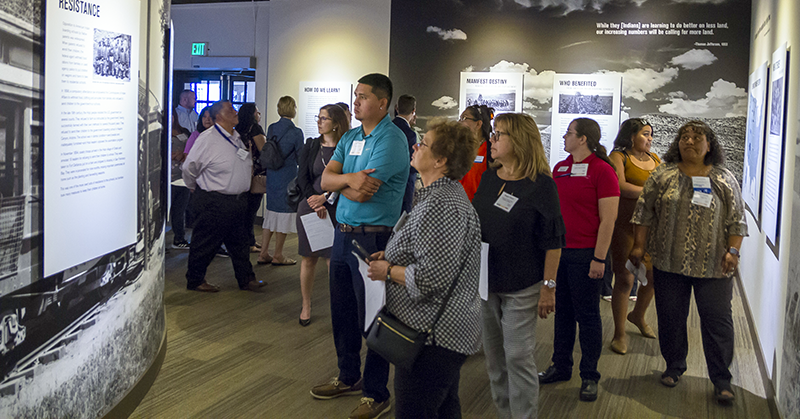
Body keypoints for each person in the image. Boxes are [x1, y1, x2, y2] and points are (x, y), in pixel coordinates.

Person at [365, 120, 481, 418]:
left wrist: (388, 271)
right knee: (444, 409)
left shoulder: (441, 205)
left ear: (441, 160)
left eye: (424, 143)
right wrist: (391, 257)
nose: (415, 147)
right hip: (438, 333)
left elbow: (431, 277)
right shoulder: (437, 196)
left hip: (434, 338)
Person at [312, 73, 409, 419]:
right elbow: (325, 179)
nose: (356, 102)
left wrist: (345, 184)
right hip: (343, 232)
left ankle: (375, 392)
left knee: (374, 318)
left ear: (382, 103)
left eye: (363, 97)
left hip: (374, 238)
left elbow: (365, 189)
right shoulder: (352, 136)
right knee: (342, 312)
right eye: (355, 96)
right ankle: (348, 375)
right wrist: (348, 180)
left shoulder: (392, 139)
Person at [629, 120, 747, 404]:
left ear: (710, 145)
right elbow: (644, 211)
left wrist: (733, 252)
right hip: (669, 263)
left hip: (714, 266)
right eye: (684, 137)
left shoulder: (723, 178)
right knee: (670, 317)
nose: (689, 142)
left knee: (717, 322)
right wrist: (638, 246)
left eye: (697, 137)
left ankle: (721, 379)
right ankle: (674, 366)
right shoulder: (663, 175)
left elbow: (737, 220)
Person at [472, 113, 565, 418]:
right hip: (487, 281)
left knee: (518, 356)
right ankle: (504, 412)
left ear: (520, 141)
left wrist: (548, 287)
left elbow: (553, 241)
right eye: (493, 133)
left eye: (499, 135)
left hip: (523, 285)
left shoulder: (541, 186)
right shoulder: (489, 177)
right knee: (495, 359)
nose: (492, 140)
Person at [539, 118, 619, 402]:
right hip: (560, 253)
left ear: (583, 138)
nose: (564, 136)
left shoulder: (603, 171)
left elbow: (608, 220)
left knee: (587, 316)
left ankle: (589, 375)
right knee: (562, 314)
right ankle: (560, 366)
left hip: (587, 255)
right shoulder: (560, 168)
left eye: (569, 133)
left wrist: (599, 258)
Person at [181, 100, 266, 293]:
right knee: (205, 242)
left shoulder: (236, 137)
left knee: (240, 242)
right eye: (231, 109)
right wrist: (194, 187)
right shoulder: (207, 138)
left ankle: (246, 279)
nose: (236, 112)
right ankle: (195, 280)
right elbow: (189, 168)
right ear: (218, 116)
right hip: (214, 201)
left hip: (237, 201)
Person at [608, 118, 661, 355]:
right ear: (631, 136)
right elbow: (620, 187)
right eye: (645, 134)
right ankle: (619, 333)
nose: (649, 139)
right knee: (625, 278)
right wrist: (652, 193)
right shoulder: (619, 157)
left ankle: (637, 315)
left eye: (651, 135)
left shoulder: (657, 159)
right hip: (625, 227)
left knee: (652, 277)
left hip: (653, 229)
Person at [296, 104, 350, 326]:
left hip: (336, 207)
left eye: (324, 118)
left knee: (332, 260)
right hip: (310, 207)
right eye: (318, 117)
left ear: (336, 123)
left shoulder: (346, 148)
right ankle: (306, 305)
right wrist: (314, 200)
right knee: (308, 259)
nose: (319, 121)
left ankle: (337, 306)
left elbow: (348, 178)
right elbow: (302, 178)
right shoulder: (311, 146)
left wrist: (325, 198)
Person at [258, 96, 304, 266]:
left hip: (272, 175)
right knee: (283, 214)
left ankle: (263, 252)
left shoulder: (271, 128)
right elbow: (300, 157)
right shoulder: (296, 132)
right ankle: (278, 254)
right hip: (287, 176)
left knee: (270, 213)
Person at [235, 103, 268, 254]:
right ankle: (249, 242)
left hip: (241, 173)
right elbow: (264, 151)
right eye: (257, 111)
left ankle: (249, 240)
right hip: (255, 174)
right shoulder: (255, 129)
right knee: (252, 210)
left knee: (245, 210)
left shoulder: (237, 129)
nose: (259, 114)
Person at [458, 104, 494, 201]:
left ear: (478, 124)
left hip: (479, 205)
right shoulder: (459, 148)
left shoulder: (491, 150)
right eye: (460, 118)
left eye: (464, 118)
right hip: (457, 204)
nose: (459, 122)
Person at [392, 94, 418, 213]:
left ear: (396, 108)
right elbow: (411, 163)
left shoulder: (388, 127)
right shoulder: (410, 134)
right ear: (413, 111)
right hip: (405, 184)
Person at [170, 109, 191, 249]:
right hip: (166, 177)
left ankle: (179, 238)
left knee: (180, 209)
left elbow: (192, 149)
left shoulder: (184, 131)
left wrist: (183, 155)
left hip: (183, 176)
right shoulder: (160, 132)